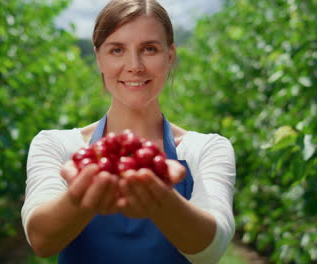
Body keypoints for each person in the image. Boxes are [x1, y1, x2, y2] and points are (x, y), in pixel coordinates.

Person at [21, 0, 236, 263]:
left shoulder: (207, 149)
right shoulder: (55, 145)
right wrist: (80, 196)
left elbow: (211, 249)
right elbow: (41, 240)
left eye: (149, 49)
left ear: (170, 56)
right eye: (117, 50)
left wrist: (160, 198)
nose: (135, 65)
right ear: (98, 58)